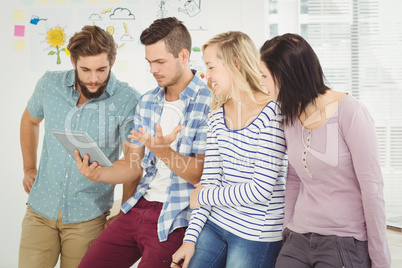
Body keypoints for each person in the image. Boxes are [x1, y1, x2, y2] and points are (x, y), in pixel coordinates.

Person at [75, 17, 212, 268]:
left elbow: (201, 175)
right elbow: (133, 165)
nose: (153, 70)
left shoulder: (208, 103)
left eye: (160, 62)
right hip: (139, 206)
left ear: (183, 56)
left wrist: (162, 150)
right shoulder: (148, 100)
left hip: (176, 216)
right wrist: (99, 173)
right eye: (150, 62)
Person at [259, 33, 391, 268]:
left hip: (344, 241)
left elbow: (372, 189)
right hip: (298, 238)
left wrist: (380, 261)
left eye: (264, 76)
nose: (262, 84)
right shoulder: (289, 116)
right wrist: (287, 227)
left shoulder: (351, 112)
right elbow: (293, 177)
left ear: (285, 76)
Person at [19, 25, 141, 268]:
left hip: (88, 217)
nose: (93, 78)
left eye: (101, 70)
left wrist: (124, 212)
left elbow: (132, 162)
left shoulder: (129, 100)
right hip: (40, 209)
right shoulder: (49, 85)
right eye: (85, 69)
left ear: (113, 61)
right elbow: (30, 120)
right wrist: (29, 168)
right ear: (73, 60)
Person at [171, 31, 287, 268]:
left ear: (235, 64)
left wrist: (203, 195)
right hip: (216, 222)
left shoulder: (272, 114)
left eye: (211, 67)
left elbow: (260, 190)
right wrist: (189, 239)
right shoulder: (216, 117)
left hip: (256, 232)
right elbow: (210, 179)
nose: (207, 75)